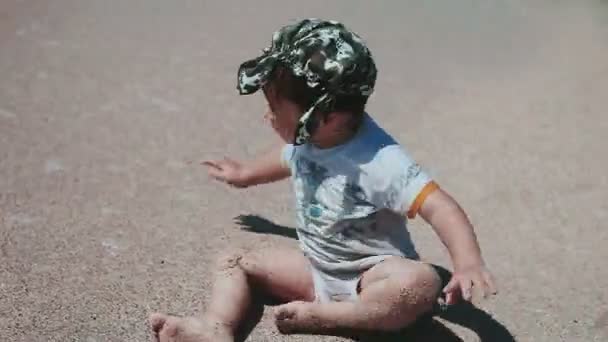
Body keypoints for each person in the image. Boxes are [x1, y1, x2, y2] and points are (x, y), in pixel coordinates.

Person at [149, 18, 497, 342]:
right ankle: (215, 327)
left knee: (420, 284)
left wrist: (467, 263)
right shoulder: (311, 139)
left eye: (275, 108)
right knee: (234, 258)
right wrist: (245, 174)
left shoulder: (379, 159)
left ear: (326, 116)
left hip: (373, 278)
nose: (266, 116)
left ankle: (334, 317)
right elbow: (286, 158)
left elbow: (439, 206)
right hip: (316, 270)